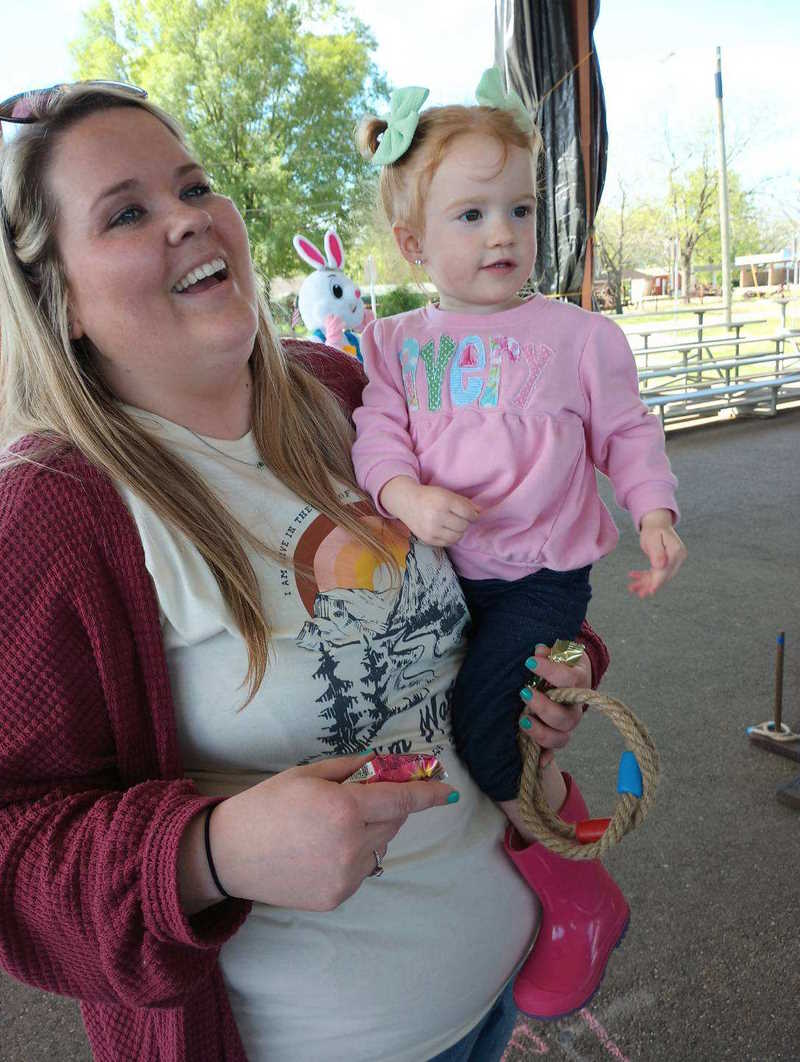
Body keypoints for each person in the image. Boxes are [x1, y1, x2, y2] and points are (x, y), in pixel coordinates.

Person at [0, 82, 611, 1062]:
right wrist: (208, 854)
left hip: (499, 973)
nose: (188, 218)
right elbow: (15, 848)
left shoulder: (349, 389)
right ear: (58, 299)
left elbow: (502, 566)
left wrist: (553, 666)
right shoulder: (51, 517)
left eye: (193, 185)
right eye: (126, 211)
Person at [351, 68, 687, 1020]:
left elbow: (628, 435)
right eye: (470, 215)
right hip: (442, 578)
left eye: (520, 208)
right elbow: (378, 436)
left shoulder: (580, 336)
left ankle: (578, 898)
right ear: (413, 240)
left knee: (482, 739)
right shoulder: (398, 344)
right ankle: (527, 836)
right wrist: (405, 492)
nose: (503, 233)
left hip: (541, 576)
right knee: (462, 730)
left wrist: (654, 511)